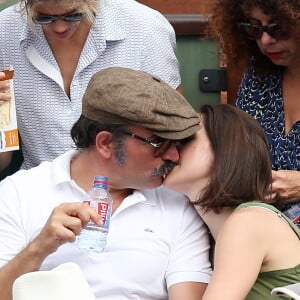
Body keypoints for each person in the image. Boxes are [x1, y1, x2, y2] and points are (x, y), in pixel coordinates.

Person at [0, 67, 212, 300]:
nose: (173, 155)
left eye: (177, 143)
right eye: (158, 143)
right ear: (106, 143)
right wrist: (39, 247)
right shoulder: (20, 192)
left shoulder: (177, 203)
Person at [0, 0, 181, 173]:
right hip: (38, 191)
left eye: (73, 15)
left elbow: (175, 133)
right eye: (43, 18)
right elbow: (4, 155)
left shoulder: (145, 27)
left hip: (131, 190)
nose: (59, 27)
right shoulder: (5, 31)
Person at [164, 103, 300, 300]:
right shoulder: (219, 232)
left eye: (185, 140)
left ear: (226, 150)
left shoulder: (248, 221)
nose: (169, 152)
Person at [210, 0, 300, 227]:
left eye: (278, 28)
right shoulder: (259, 76)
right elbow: (239, 151)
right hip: (261, 224)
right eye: (255, 28)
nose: (266, 41)